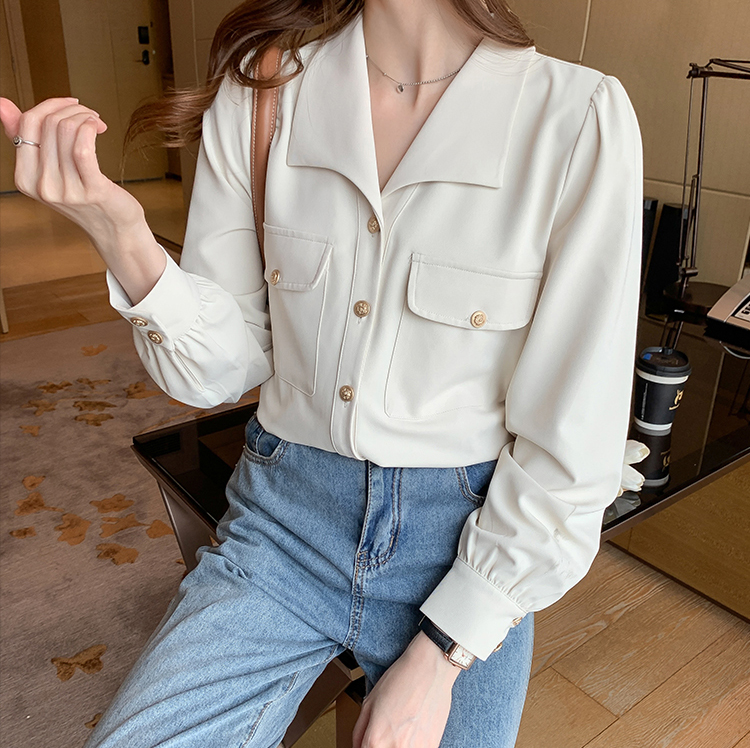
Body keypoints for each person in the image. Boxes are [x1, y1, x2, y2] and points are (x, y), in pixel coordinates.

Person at [0, 0, 643, 745]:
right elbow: (217, 372)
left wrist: (444, 653)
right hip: (282, 525)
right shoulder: (263, 94)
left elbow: (574, 441)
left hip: (463, 543)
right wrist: (122, 233)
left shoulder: (576, 117)